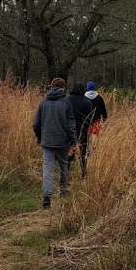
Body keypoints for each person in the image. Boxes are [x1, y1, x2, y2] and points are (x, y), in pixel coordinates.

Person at [32, 78, 76, 209]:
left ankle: (46, 197)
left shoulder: (43, 103)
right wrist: (74, 141)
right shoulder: (66, 103)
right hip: (63, 142)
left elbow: (35, 124)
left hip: (47, 142)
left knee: (48, 170)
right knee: (64, 167)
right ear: (63, 88)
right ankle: (63, 192)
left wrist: (40, 138)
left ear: (51, 87)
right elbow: (71, 125)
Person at [66, 83, 94, 177]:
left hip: (70, 130)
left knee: (70, 150)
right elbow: (89, 119)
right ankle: (83, 172)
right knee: (83, 151)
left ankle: (67, 171)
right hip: (83, 130)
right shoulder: (87, 102)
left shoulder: (66, 100)